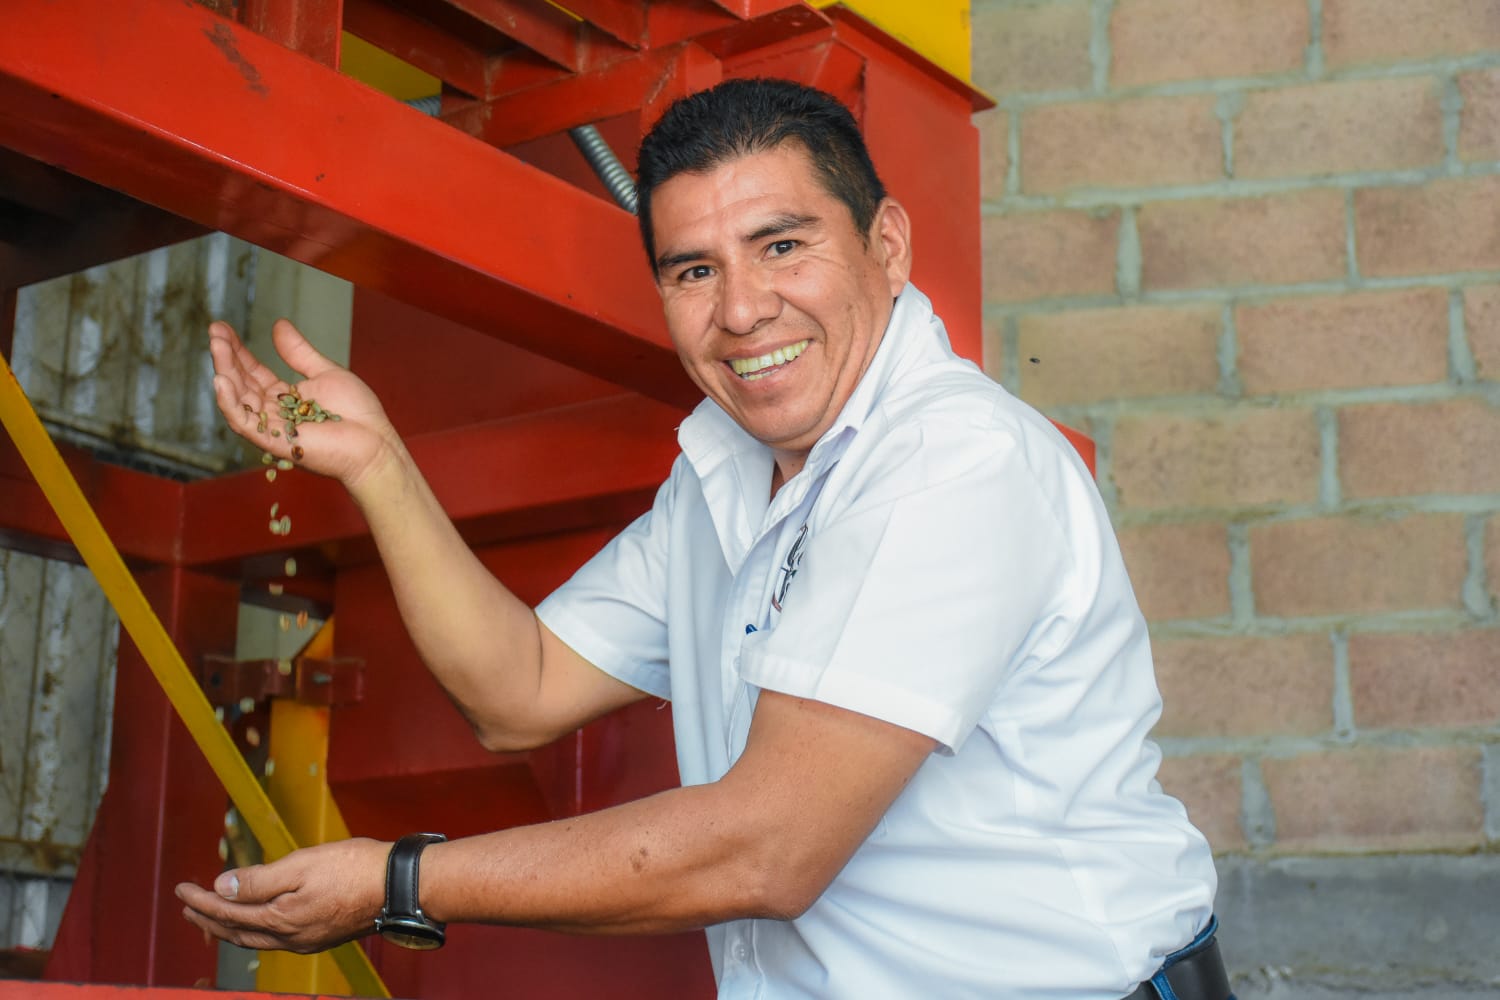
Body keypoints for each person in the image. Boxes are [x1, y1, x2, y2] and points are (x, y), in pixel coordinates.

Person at [179, 78, 1231, 1000]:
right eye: (693, 272)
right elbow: (520, 688)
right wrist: (379, 466)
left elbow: (769, 850)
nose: (741, 310)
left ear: (888, 245)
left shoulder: (952, 460)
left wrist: (398, 881)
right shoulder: (721, 482)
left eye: (782, 246)